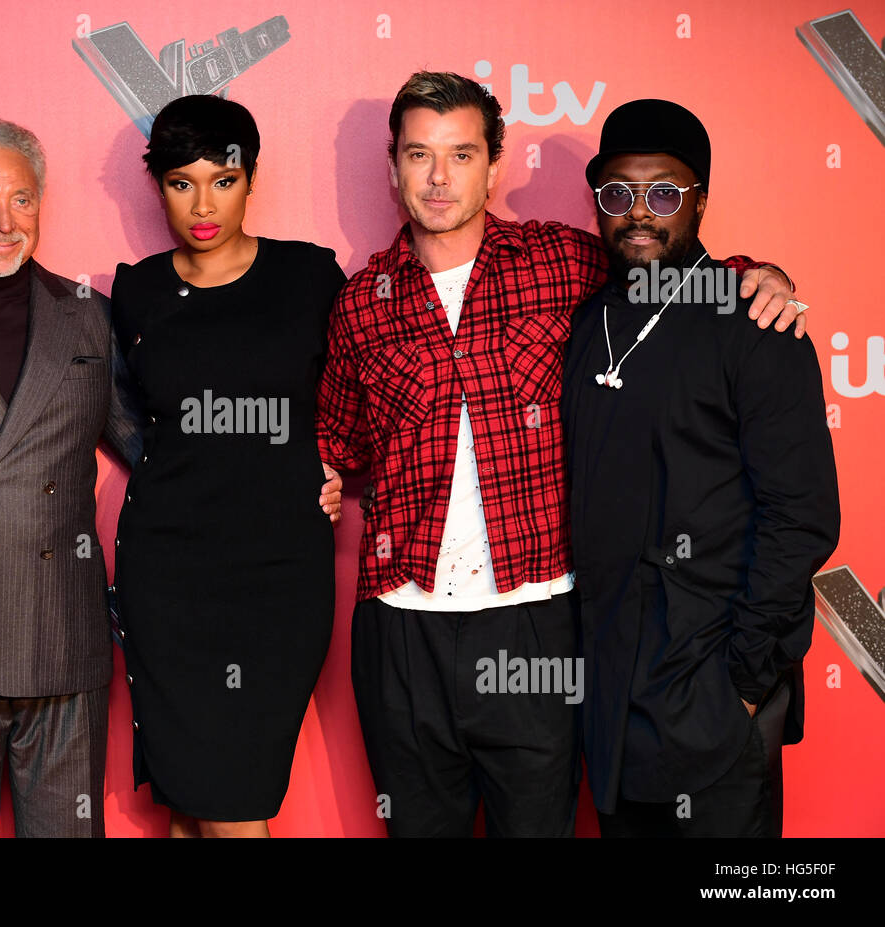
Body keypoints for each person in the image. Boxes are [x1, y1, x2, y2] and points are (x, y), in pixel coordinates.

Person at [0, 116, 345, 837]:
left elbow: (168, 438)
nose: (4, 221)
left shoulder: (90, 316)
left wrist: (296, 470)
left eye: (22, 200)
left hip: (64, 640)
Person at [316, 71, 807, 837]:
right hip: (400, 631)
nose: (440, 178)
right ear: (393, 167)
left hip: (535, 624)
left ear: (494, 163)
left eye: (461, 153)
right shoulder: (359, 301)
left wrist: (756, 276)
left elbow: (667, 264)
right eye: (419, 155)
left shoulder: (563, 264)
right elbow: (335, 442)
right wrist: (312, 471)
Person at [560, 99, 840, 836]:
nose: (638, 214)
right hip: (613, 704)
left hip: (713, 692)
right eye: (618, 194)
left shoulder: (756, 326)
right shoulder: (589, 326)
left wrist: (745, 680)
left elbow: (802, 516)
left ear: (699, 201)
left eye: (662, 193)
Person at [111, 94, 346, 837]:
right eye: (182, 182)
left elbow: (364, 395)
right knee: (196, 806)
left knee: (228, 800)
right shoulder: (138, 290)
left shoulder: (311, 279)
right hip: (170, 575)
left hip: (280, 579)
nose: (203, 203)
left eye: (223, 179)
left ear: (251, 178)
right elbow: (116, 411)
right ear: (159, 188)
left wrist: (337, 462)